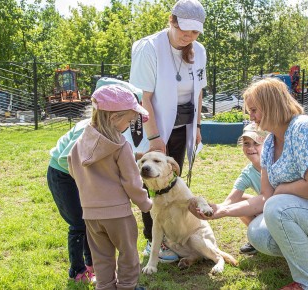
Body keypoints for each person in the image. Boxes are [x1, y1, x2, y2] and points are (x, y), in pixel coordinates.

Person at [190, 78, 308, 290]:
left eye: (254, 110)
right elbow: (265, 198)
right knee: (258, 234)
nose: (251, 117)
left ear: (271, 105)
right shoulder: (269, 143)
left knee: (278, 207)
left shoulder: (304, 128)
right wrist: (222, 210)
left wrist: (283, 190)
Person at [129, 0, 207, 262]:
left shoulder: (200, 51)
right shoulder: (149, 48)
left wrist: (196, 127)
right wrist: (154, 138)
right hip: (153, 124)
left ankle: (172, 235)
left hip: (182, 127)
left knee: (172, 179)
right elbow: (143, 98)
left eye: (195, 32)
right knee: (150, 182)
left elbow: (198, 93)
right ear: (172, 21)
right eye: (185, 29)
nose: (189, 37)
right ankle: (152, 241)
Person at [68, 85, 152, 290]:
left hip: (91, 214)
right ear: (114, 118)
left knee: (101, 256)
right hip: (118, 215)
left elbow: (71, 166)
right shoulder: (121, 146)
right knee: (128, 253)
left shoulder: (80, 143)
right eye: (129, 120)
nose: (129, 124)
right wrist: (145, 203)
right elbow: (132, 182)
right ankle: (126, 286)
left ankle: (105, 286)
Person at [47, 118, 95, 284]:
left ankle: (91, 265)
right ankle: (77, 270)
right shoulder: (88, 129)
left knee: (89, 219)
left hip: (79, 175)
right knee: (78, 222)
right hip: (63, 175)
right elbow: (64, 159)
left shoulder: (109, 127)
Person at [221, 122, 269, 255]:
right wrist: (214, 209)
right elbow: (231, 200)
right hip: (266, 208)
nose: (250, 148)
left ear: (267, 144)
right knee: (239, 201)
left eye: (256, 143)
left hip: (281, 208)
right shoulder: (248, 172)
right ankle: (257, 236)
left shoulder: (276, 164)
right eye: (246, 143)